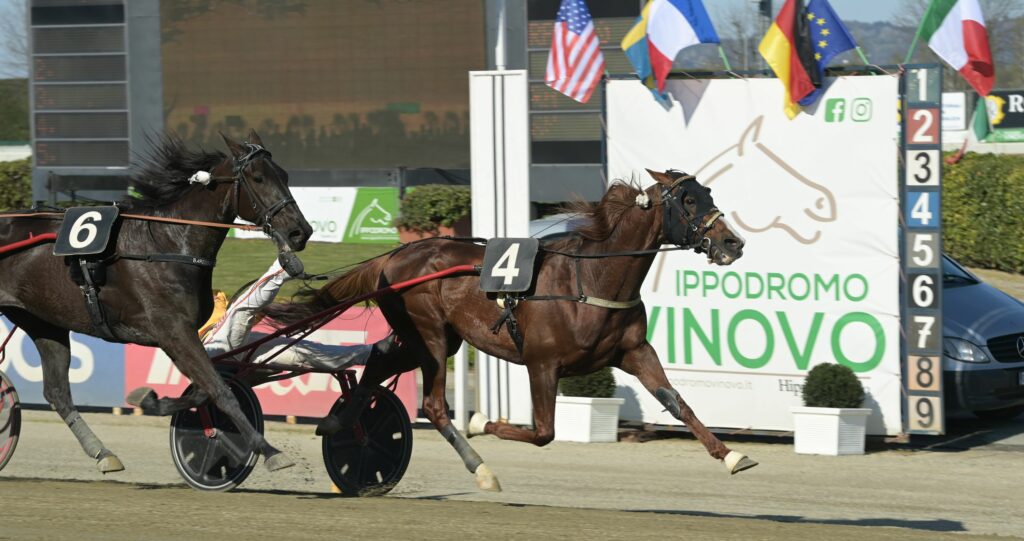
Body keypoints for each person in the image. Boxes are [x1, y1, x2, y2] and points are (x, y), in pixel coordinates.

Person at [202, 259, 395, 371]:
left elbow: (242, 322)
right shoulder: (184, 294)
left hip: (239, 347)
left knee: (306, 354)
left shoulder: (215, 295)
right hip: (209, 346)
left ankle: (372, 353)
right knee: (241, 309)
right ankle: (281, 267)